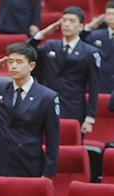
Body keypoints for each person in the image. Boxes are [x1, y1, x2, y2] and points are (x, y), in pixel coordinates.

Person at [0, 43, 60, 177]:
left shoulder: (47, 97)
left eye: (19, 62)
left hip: (28, 162)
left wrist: (48, 173)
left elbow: (52, 139)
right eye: (10, 61)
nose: (13, 66)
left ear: (31, 66)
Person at [29, 6, 100, 134]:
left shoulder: (90, 52)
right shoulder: (50, 45)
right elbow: (25, 54)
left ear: (81, 26)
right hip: (46, 105)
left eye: (72, 21)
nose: (66, 24)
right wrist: (41, 34)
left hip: (73, 108)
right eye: (64, 20)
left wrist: (90, 118)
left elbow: (94, 87)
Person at [81, 1, 114, 94]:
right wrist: (89, 27)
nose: (111, 17)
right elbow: (76, 43)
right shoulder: (95, 35)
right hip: (99, 86)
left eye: (113, 14)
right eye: (108, 14)